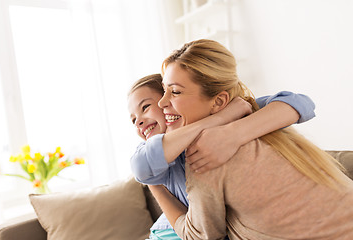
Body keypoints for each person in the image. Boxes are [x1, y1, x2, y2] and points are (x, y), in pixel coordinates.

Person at [146, 39, 353, 239]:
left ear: (219, 101)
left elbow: (198, 236)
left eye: (175, 92)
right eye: (164, 90)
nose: (162, 102)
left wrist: (154, 185)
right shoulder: (259, 116)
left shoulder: (206, 151)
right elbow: (301, 103)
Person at [128, 72, 316, 239]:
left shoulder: (222, 112)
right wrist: (219, 119)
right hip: (168, 233)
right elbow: (140, 168)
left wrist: (234, 133)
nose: (139, 122)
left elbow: (301, 103)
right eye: (133, 119)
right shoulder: (155, 156)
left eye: (145, 107)